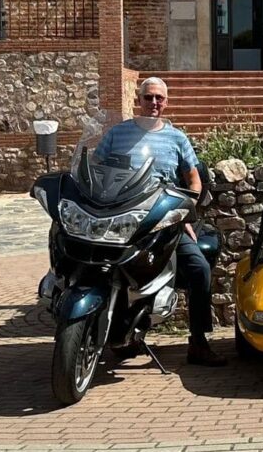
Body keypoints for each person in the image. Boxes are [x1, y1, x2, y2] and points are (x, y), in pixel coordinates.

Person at [93, 75, 226, 367]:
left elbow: (193, 179)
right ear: (138, 100)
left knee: (199, 269)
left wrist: (185, 212)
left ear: (166, 102)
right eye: (148, 97)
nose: (154, 102)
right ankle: (105, 331)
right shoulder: (118, 133)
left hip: (164, 221)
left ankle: (199, 343)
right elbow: (97, 167)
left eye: (159, 98)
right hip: (122, 219)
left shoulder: (177, 137)